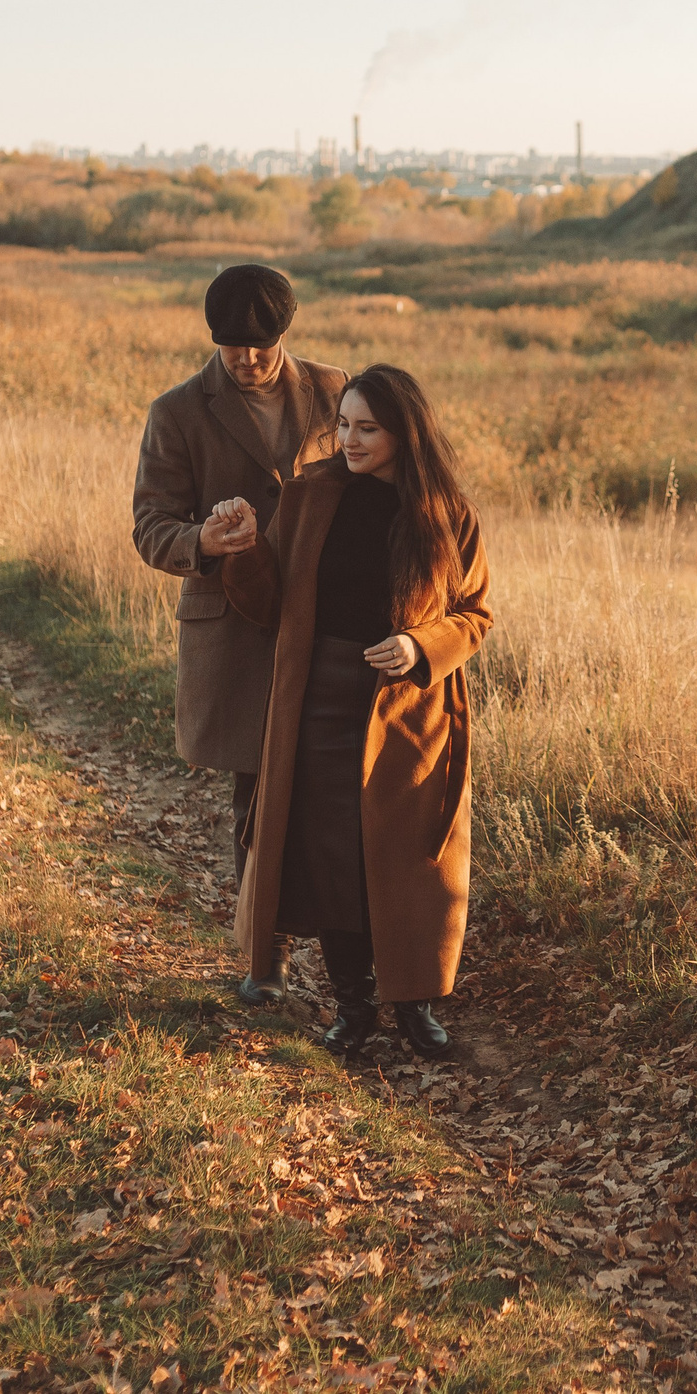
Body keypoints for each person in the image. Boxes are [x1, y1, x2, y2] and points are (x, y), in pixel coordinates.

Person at [204, 364, 491, 1058]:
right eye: (344, 426)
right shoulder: (309, 496)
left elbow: (475, 614)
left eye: (367, 429)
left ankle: (414, 1005)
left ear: (403, 433)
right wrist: (243, 550)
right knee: (334, 857)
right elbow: (269, 605)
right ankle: (353, 1007)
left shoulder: (448, 512)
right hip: (321, 700)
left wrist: (421, 645)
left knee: (407, 859)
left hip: (411, 711)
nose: (350, 440)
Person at [132, 264, 347, 884]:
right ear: (213, 337)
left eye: (262, 344)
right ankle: (266, 957)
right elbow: (150, 526)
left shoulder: (337, 392)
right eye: (232, 347)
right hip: (236, 635)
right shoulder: (175, 412)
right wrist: (201, 538)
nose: (248, 358)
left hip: (329, 621)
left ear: (286, 331)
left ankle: (345, 965)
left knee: (333, 791)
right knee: (256, 798)